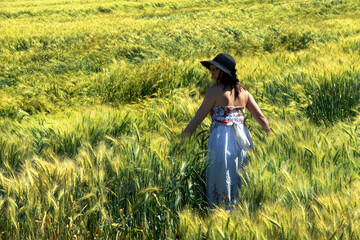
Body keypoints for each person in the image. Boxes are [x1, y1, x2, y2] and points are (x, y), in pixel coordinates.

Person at [181, 53, 270, 209]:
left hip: (222, 139)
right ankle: (241, 210)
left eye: (216, 69)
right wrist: (271, 139)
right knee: (241, 171)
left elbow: (197, 118)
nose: (212, 71)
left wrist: (182, 138)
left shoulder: (214, 91)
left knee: (221, 173)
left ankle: (221, 211)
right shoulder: (244, 92)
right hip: (243, 139)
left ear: (224, 72)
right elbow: (262, 118)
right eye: (211, 68)